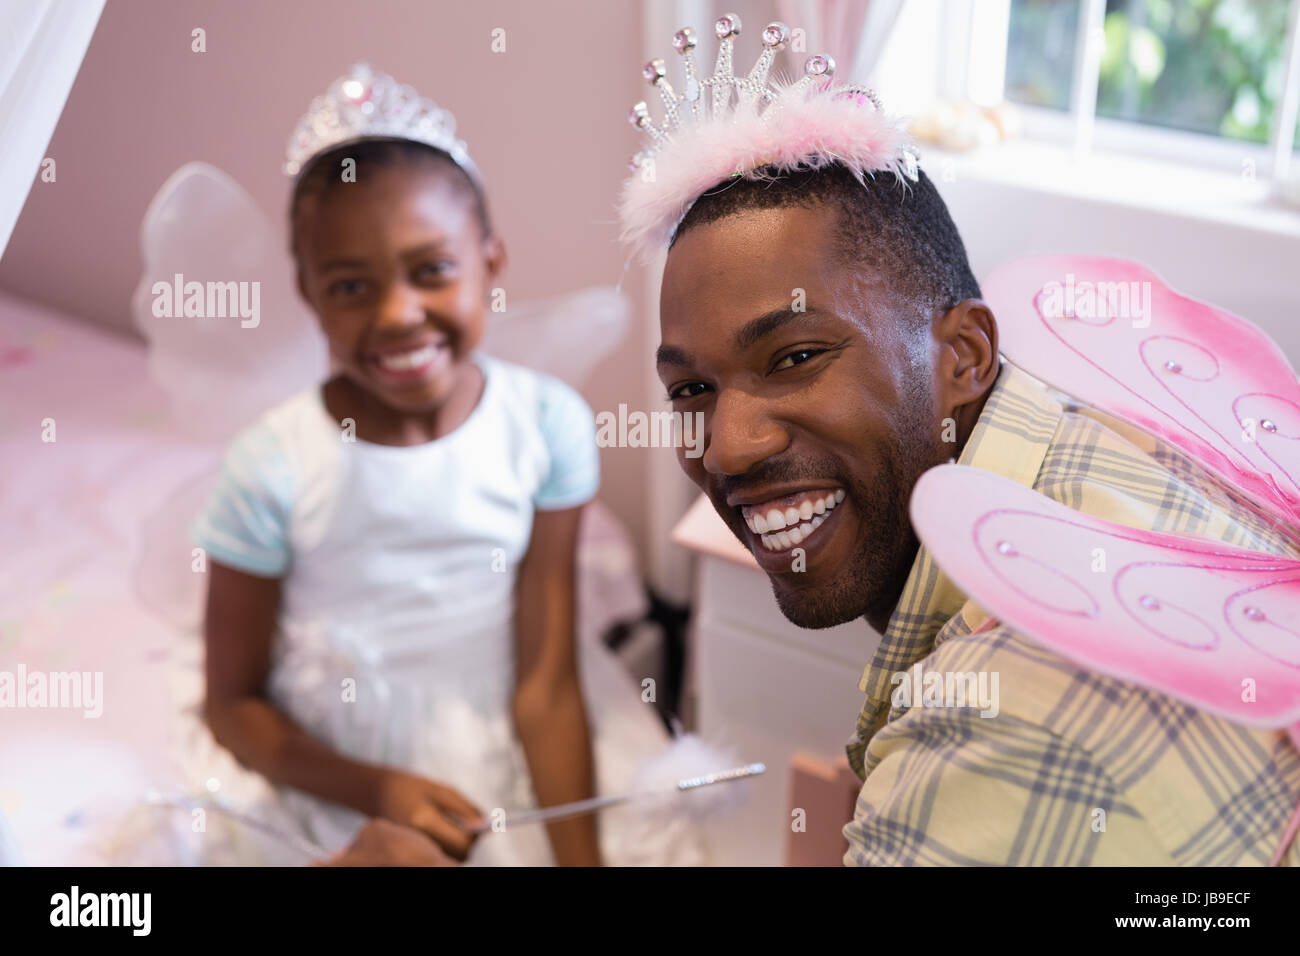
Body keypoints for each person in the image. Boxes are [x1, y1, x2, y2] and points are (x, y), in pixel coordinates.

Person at [624, 20, 1300, 865]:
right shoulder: (1108, 419)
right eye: (691, 390)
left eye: (796, 357)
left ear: (965, 356)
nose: (726, 448)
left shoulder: (993, 743)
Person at [194, 64, 701, 867]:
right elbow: (230, 705)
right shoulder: (272, 466)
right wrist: (376, 790)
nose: (397, 314)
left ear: (490, 261)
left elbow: (547, 681)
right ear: (308, 292)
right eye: (352, 285)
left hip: (509, 733)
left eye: (431, 270)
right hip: (332, 770)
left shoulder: (544, 425)